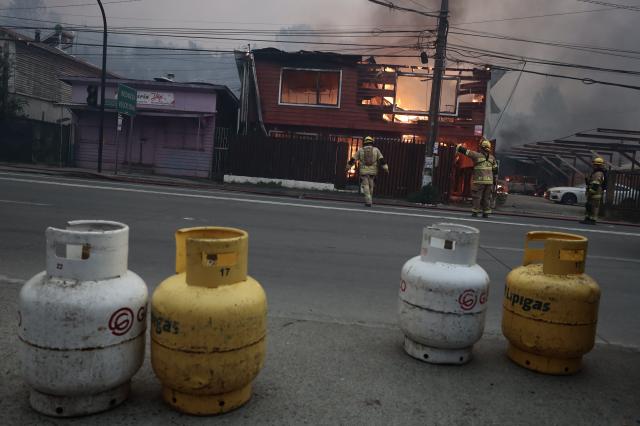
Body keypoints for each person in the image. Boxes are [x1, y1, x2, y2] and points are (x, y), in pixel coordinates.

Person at [456, 138, 499, 218]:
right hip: (489, 182)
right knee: (486, 198)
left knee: (477, 197)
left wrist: (458, 147)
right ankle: (486, 213)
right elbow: (495, 170)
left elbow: (467, 152)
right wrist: (494, 180)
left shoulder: (477, 155)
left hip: (479, 181)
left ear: (481, 148)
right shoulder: (492, 158)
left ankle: (475, 212)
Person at [348, 136, 389, 207]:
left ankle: (368, 201)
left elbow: (353, 160)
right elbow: (382, 160)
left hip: (363, 171)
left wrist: (347, 167)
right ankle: (370, 199)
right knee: (371, 186)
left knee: (366, 186)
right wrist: (386, 169)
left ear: (365, 143)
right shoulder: (376, 150)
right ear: (371, 142)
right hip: (373, 172)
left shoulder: (360, 150)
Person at [580, 157, 606, 225]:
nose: (593, 166)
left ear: (598, 165)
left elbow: (596, 184)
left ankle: (592, 220)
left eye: (595, 164)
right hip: (593, 192)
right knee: (589, 206)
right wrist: (587, 180)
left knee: (594, 207)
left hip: (595, 193)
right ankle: (587, 219)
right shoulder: (595, 172)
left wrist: (590, 193)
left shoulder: (598, 173)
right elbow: (591, 183)